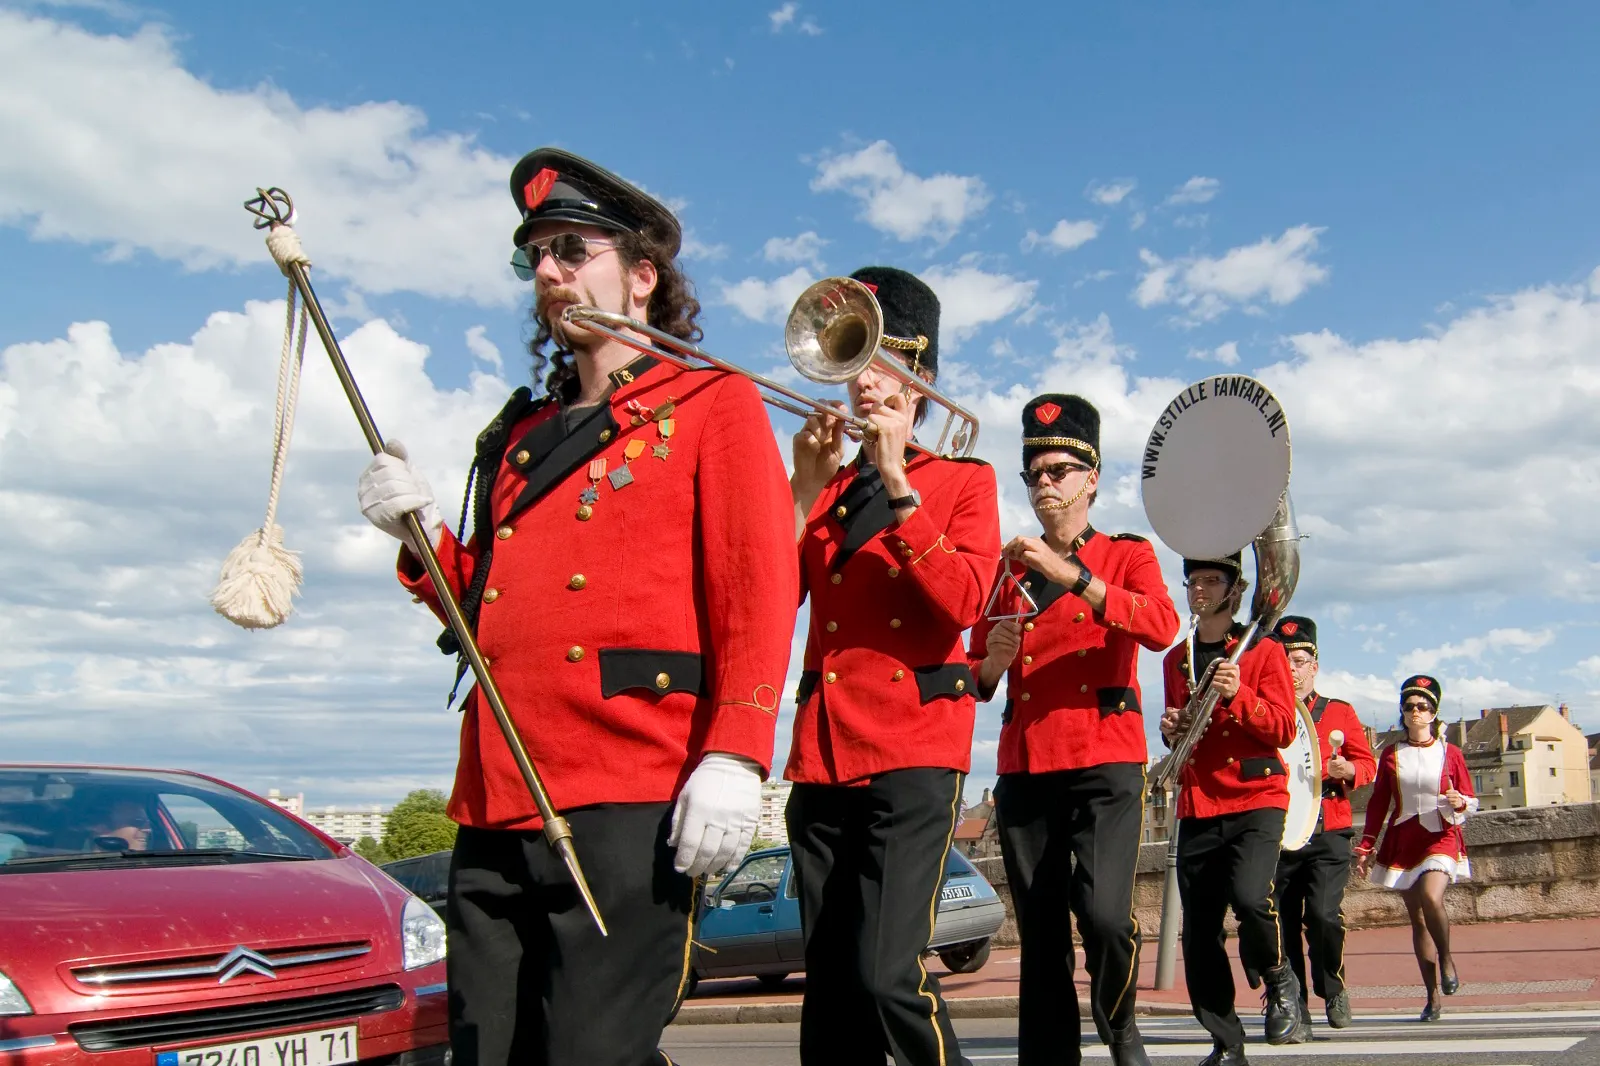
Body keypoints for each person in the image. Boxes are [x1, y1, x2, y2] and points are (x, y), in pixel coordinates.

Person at [357, 147, 798, 1066]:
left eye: (571, 249)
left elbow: (758, 587)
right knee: (490, 1053)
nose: (550, 274)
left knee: (593, 1052)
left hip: (631, 784)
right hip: (501, 785)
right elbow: (482, 616)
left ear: (642, 276)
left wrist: (737, 750)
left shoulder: (713, 402)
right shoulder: (519, 437)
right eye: (537, 259)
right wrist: (421, 531)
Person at [785, 266, 1000, 1066]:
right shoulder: (829, 490)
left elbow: (966, 602)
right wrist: (799, 489)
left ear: (922, 378)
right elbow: (769, 603)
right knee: (833, 988)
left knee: (886, 976)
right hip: (822, 756)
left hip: (912, 750)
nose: (861, 382)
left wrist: (903, 485)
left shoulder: (962, 481)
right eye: (853, 362)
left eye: (878, 360)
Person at [968, 394, 1179, 1066]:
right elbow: (976, 673)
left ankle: (1119, 1026)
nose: (1044, 485)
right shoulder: (1008, 569)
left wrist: (1074, 577)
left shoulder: (1126, 554)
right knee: (1041, 934)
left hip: (1105, 758)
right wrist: (990, 665)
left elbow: (1160, 627)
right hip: (1027, 763)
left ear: (1091, 478)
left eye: (1058, 471)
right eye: (1033, 474)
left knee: (1107, 918)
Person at [1160, 554, 1306, 1064]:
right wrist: (1171, 727)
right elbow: (1181, 726)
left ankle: (1278, 975)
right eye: (1193, 581)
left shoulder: (1262, 651)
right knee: (1198, 934)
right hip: (1199, 801)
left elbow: (1285, 729)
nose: (1198, 589)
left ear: (1233, 588)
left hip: (1255, 796)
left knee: (1249, 898)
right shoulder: (1174, 659)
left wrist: (1239, 694)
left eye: (1210, 580)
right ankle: (1225, 1040)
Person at [1270, 616, 1376, 1031]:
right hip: (1280, 831)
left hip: (1328, 827)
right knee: (1280, 921)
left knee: (1323, 915)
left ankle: (1332, 986)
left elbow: (1368, 765)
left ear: (1314, 666)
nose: (1291, 670)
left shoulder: (1339, 712)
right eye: (1284, 662)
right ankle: (1293, 1005)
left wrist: (1347, 767)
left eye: (1299, 661)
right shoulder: (1268, 712)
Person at [1355, 674, 1477, 1022]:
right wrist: (1366, 846)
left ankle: (1448, 959)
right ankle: (1432, 995)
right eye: (1409, 706)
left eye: (1422, 707)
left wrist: (1460, 801)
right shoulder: (1391, 754)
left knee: (1431, 897)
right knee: (1418, 920)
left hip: (1440, 833)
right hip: (1403, 837)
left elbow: (1470, 798)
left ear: (1434, 712)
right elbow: (1379, 803)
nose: (1415, 712)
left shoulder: (1450, 752)